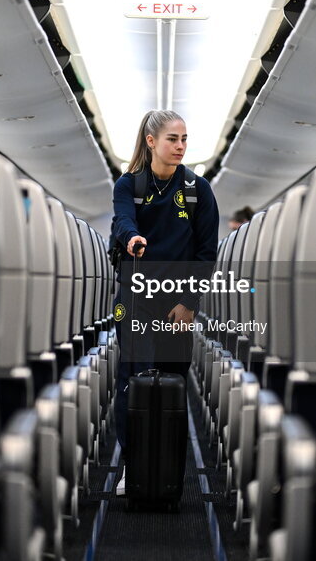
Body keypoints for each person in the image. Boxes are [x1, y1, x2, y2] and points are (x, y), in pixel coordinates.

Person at [109, 109, 218, 495]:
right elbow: (123, 220)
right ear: (152, 141)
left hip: (177, 303)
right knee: (134, 378)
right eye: (173, 139)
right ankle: (132, 465)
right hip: (136, 296)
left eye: (184, 139)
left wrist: (188, 303)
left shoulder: (197, 190)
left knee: (173, 378)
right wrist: (132, 238)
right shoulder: (130, 185)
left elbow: (206, 253)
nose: (181, 146)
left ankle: (168, 466)